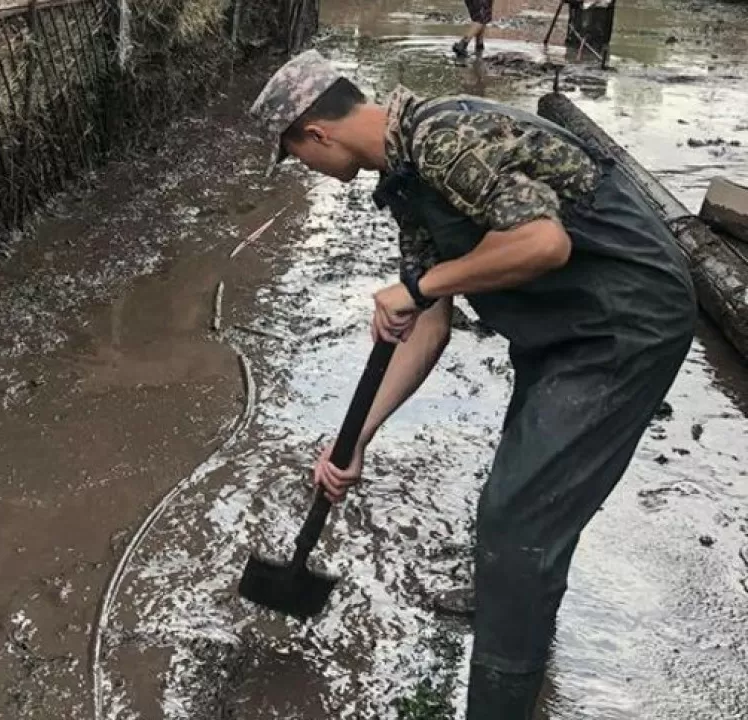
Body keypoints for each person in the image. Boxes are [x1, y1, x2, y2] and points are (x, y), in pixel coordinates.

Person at [249, 50, 695, 718]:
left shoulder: (446, 136)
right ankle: (511, 600)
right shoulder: (406, 178)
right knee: (526, 485)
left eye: (296, 156)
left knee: (519, 515)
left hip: (622, 325)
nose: (306, 169)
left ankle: (499, 693)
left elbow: (543, 244)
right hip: (560, 330)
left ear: (316, 133)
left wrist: (418, 285)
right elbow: (427, 325)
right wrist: (356, 441)